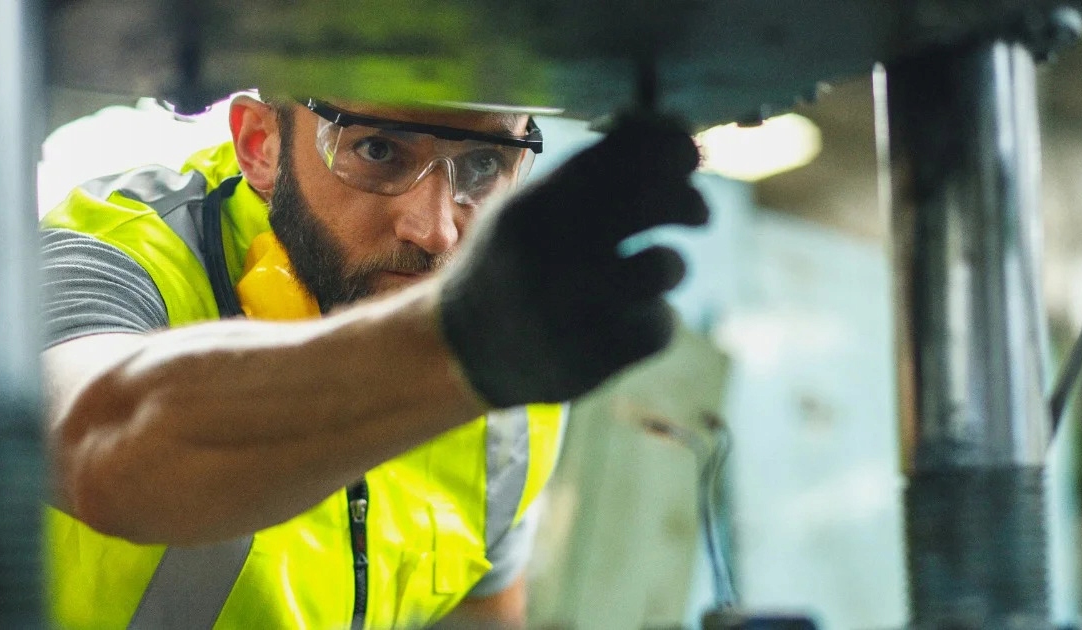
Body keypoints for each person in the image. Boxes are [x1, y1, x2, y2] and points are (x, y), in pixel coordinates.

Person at [40, 92, 707, 629]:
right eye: (378, 150)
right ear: (261, 144)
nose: (436, 230)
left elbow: (481, 612)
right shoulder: (112, 254)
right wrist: (452, 345)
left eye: (483, 164)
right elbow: (99, 445)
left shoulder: (512, 367)